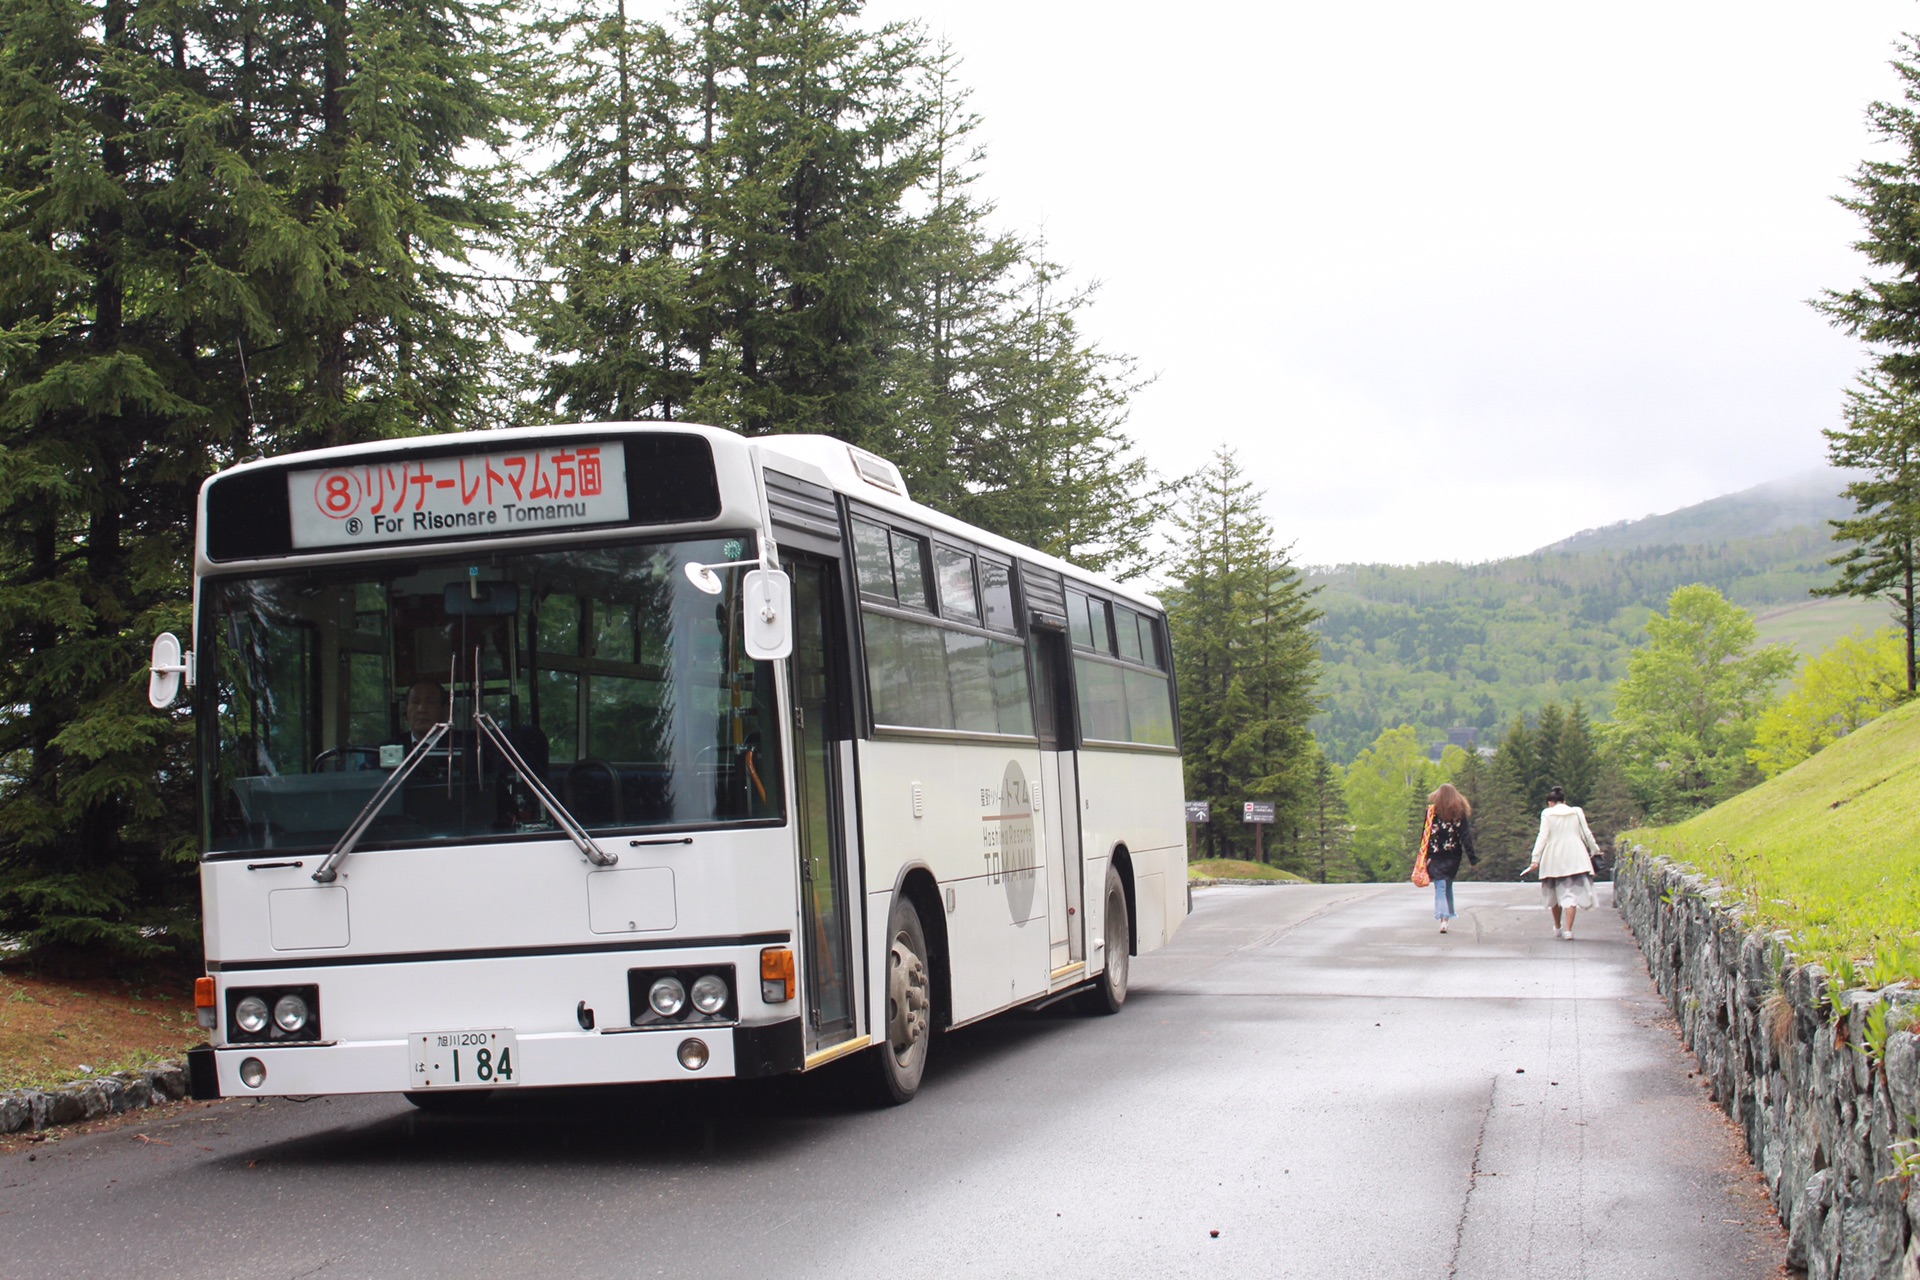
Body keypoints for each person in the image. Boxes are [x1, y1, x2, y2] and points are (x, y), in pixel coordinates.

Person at [1524, 785, 1601, 940]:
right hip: (1576, 855)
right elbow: (1586, 833)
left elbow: (1543, 836)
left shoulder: (1547, 814)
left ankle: (1558, 926)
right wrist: (1595, 850)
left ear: (1550, 802)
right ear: (1564, 801)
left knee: (1554, 894)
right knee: (1570, 895)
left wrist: (1535, 858)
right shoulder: (1576, 812)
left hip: (1554, 856)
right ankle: (1568, 930)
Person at [1423, 783, 1478, 933]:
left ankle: (1444, 917)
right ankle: (1446, 916)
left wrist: (1423, 856)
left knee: (1440, 885)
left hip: (1435, 855)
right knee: (1447, 884)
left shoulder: (1431, 812)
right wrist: (1472, 858)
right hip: (1453, 856)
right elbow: (1466, 837)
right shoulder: (1459, 814)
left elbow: (1425, 836)